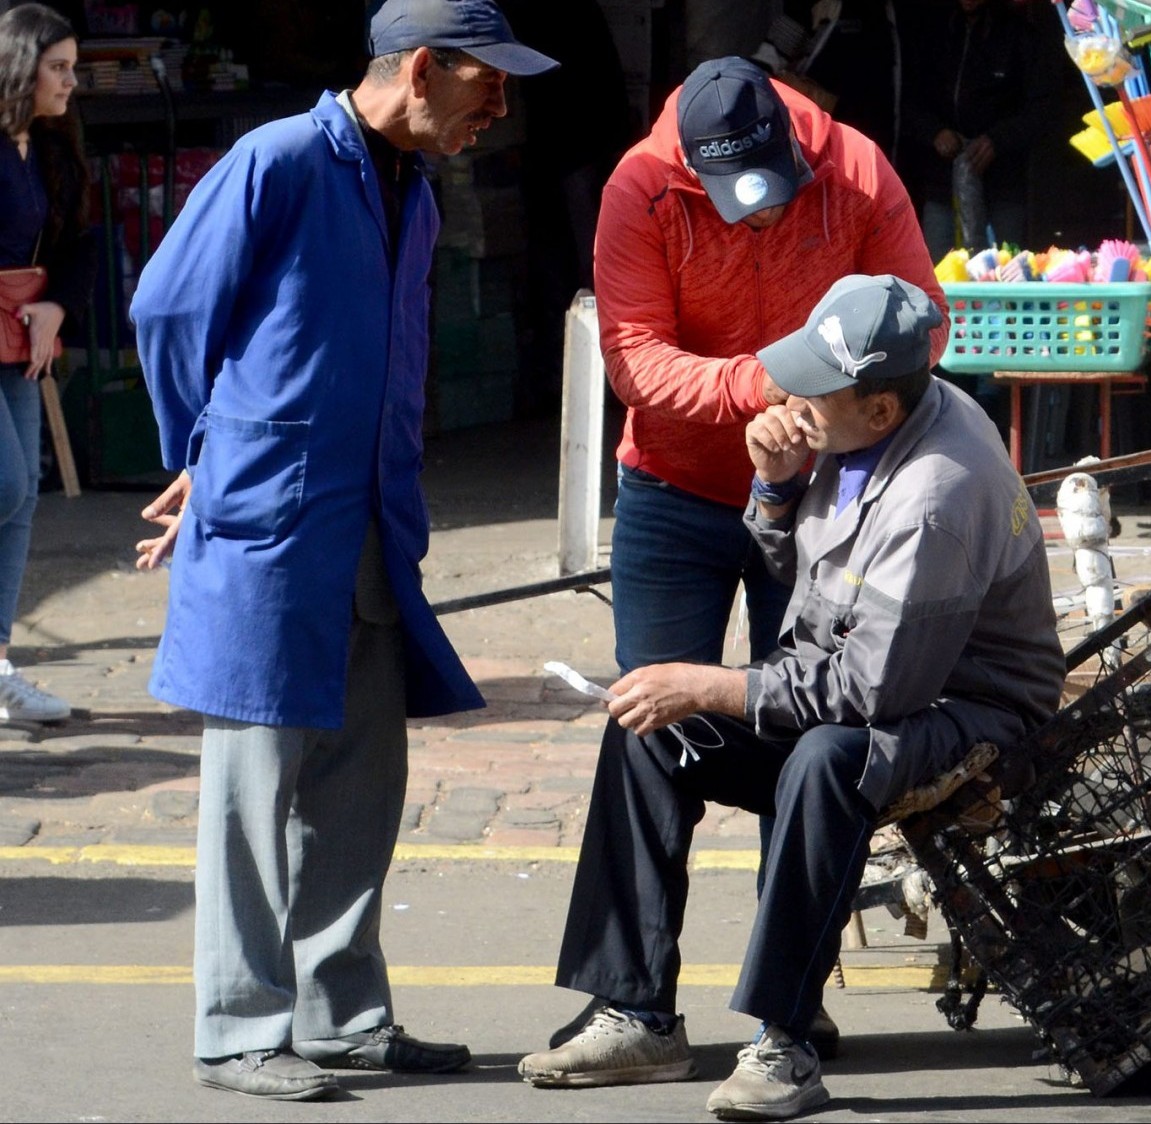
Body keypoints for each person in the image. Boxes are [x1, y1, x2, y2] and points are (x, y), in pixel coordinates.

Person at [127, 0, 556, 1102]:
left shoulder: (413, 187)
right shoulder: (278, 159)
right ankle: (237, 1027)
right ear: (421, 69)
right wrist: (201, 451)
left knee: (363, 776)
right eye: (485, 83)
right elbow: (170, 308)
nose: (500, 107)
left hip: (369, 519)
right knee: (254, 786)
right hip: (270, 517)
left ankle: (341, 1012)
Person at [517, 274, 1063, 1120]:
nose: (792, 398)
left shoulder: (933, 499)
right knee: (647, 729)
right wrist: (774, 486)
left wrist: (715, 683)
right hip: (889, 682)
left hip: (970, 713)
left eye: (817, 385)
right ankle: (634, 1011)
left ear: (880, 410)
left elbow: (870, 692)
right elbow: (813, 590)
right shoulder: (866, 428)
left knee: (825, 761)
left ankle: (785, 1040)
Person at [574, 54, 945, 1052]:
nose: (760, 218)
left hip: (824, 492)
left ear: (795, 133)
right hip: (674, 488)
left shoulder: (856, 170)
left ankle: (792, 999)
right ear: (690, 166)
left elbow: (920, 320)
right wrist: (757, 391)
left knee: (820, 735)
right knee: (650, 717)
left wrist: (819, 419)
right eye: (732, 199)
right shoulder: (638, 188)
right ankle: (630, 1004)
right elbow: (634, 356)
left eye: (775, 196)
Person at [0, 3, 92, 723]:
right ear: (20, 67)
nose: (71, 81)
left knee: (23, 493)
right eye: (58, 68)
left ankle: (0, 666)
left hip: (23, 331)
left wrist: (57, 305)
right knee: (3, 483)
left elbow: (81, 244)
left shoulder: (56, 145)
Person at [899, 0, 1059, 258]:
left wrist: (997, 141)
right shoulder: (932, 32)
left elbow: (1042, 109)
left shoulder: (1019, 35)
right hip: (942, 182)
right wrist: (935, 132)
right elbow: (908, 99)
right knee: (938, 272)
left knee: (1008, 269)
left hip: (1003, 183)